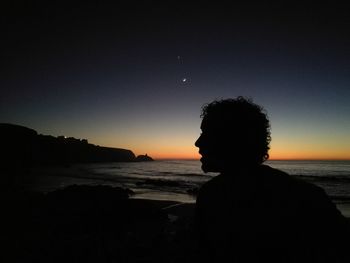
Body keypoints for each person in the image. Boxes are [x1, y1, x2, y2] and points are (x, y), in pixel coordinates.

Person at [194, 97, 349, 263]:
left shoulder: (212, 195)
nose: (198, 143)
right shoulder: (306, 195)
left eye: (207, 134)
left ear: (234, 140)